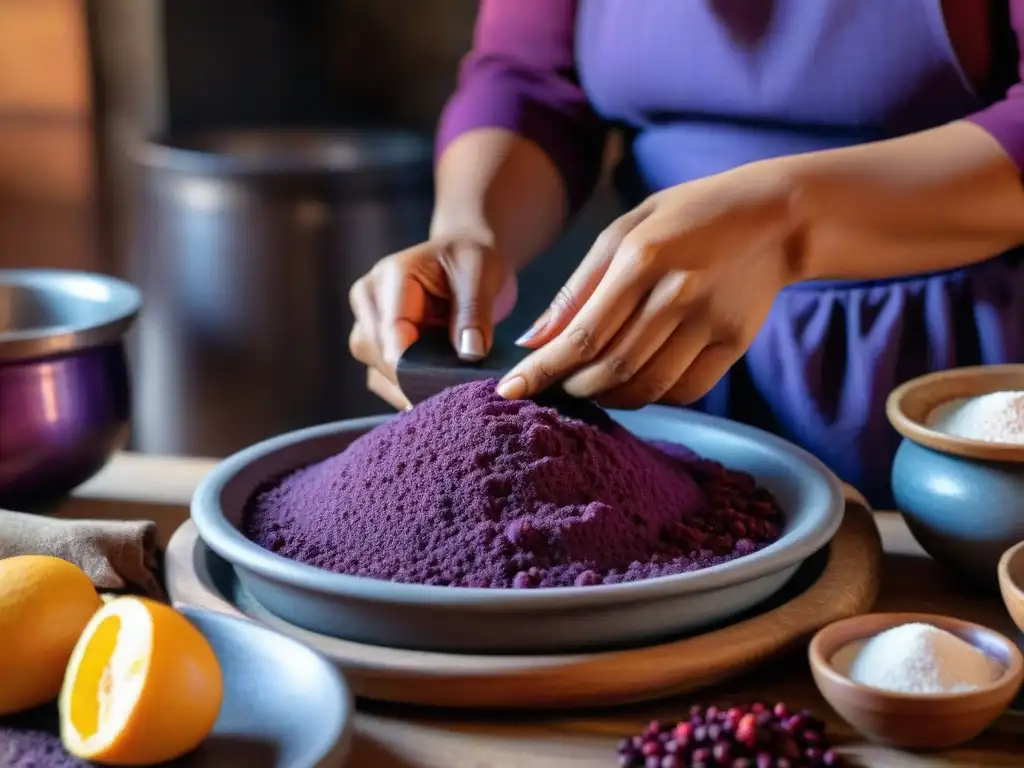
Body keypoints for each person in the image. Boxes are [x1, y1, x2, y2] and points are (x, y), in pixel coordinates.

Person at [348, 0, 1024, 506]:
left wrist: (788, 218)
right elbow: (532, 81)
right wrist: (472, 228)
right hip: (656, 372)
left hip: (956, 385)